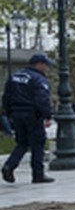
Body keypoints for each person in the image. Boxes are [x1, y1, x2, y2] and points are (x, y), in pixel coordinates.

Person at [2, 53, 55, 184]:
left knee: (22, 143)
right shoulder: (38, 79)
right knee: (38, 144)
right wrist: (47, 115)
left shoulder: (14, 77)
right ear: (39, 64)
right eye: (45, 65)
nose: (46, 68)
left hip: (16, 113)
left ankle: (9, 166)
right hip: (32, 114)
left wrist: (9, 114)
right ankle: (38, 174)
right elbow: (42, 99)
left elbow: (6, 97)